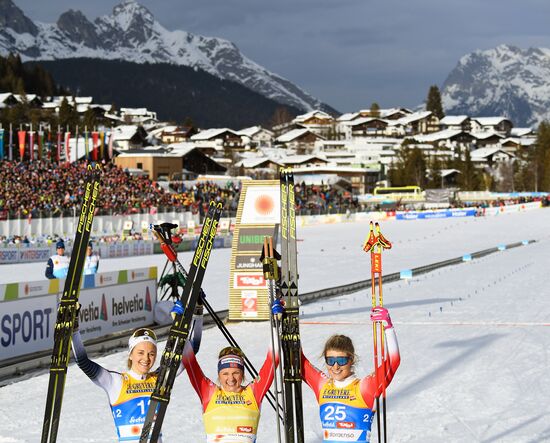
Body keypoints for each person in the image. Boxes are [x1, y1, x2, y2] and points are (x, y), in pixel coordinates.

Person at [71, 302, 204, 442]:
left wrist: (196, 314)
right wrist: (74, 329)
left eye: (151, 354)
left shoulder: (159, 378)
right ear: (130, 355)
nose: (146, 359)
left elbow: (192, 349)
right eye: (140, 353)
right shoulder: (116, 382)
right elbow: (83, 361)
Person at [301, 306, 401, 443]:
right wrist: (287, 323)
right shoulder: (322, 385)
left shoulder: (364, 388)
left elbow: (393, 361)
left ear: (351, 360)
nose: (335, 366)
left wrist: (388, 327)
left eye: (341, 360)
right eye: (330, 360)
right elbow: (299, 361)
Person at [182, 325, 278, 442]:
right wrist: (180, 326)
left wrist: (276, 326)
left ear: (242, 374)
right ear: (219, 375)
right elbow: (190, 363)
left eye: (236, 373)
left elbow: (272, 361)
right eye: (225, 374)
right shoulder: (209, 393)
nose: (231, 379)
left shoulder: (253, 393)